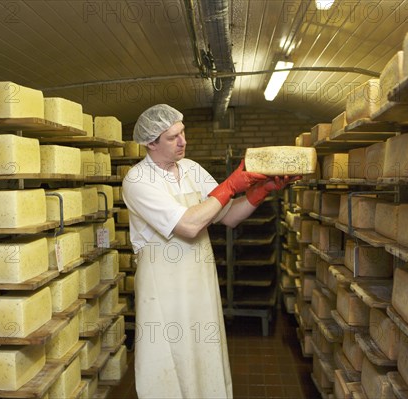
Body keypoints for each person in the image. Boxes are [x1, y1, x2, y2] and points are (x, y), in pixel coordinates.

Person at [122, 104, 299, 398]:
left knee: (204, 355)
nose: (183, 142)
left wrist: (260, 191)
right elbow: (189, 225)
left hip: (199, 282)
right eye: (172, 137)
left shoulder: (191, 169)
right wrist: (229, 185)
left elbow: (228, 216)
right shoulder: (138, 181)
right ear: (150, 143)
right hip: (163, 289)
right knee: (168, 359)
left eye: (183, 132)